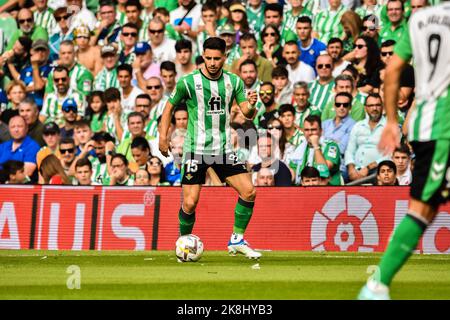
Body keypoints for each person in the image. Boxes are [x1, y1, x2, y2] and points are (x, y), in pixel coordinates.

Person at [359, 3, 450, 299]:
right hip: (442, 127)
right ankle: (376, 286)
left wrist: (391, 121)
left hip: (425, 125)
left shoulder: (420, 19)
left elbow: (393, 69)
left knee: (426, 206)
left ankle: (377, 285)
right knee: (422, 208)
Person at [159, 37, 261, 259]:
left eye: (217, 58)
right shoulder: (188, 82)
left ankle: (236, 239)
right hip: (195, 149)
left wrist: (252, 104)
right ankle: (182, 243)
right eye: (209, 58)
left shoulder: (234, 82)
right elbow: (168, 109)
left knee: (249, 191)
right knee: (190, 201)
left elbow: (247, 112)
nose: (213, 63)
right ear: (203, 57)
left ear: (225, 57)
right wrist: (162, 137)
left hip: (223, 150)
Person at [345, 93, 388, 183]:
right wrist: (351, 168)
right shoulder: (358, 125)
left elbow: (390, 155)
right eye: (371, 105)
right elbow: (350, 150)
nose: (374, 108)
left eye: (377, 105)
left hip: (377, 170)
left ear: (382, 107)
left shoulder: (389, 127)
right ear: (365, 108)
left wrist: (368, 167)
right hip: (355, 169)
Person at [0, 115, 40, 180]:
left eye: (20, 126)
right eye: (13, 127)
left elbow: (27, 173)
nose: (16, 130)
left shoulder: (32, 146)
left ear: (26, 128)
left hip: (21, 187)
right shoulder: (3, 146)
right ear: (9, 129)